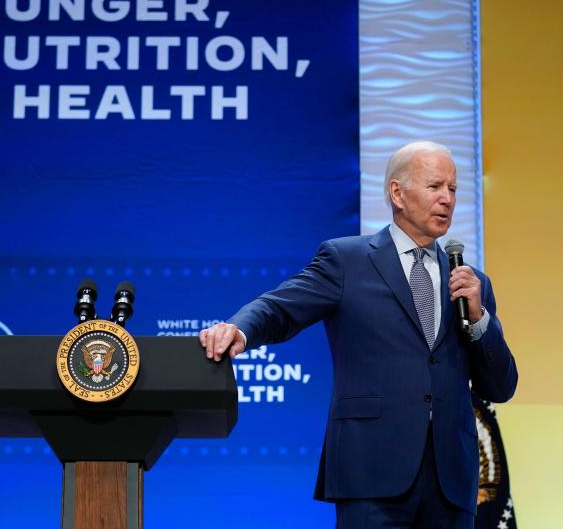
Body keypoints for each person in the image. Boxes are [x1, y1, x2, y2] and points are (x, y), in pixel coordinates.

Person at [199, 141, 517, 528]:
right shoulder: (347, 260)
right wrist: (241, 328)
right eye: (435, 186)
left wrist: (479, 317)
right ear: (397, 193)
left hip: (451, 480)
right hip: (372, 471)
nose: (446, 199)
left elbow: (500, 386)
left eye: (452, 189)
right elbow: (281, 307)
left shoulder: (469, 282)